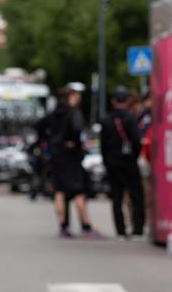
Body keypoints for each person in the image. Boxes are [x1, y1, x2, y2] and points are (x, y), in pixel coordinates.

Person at [49, 84, 103, 239]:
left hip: (57, 155)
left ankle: (63, 225)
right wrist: (76, 142)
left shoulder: (55, 113)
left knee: (59, 191)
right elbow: (78, 128)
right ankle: (86, 226)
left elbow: (39, 125)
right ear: (71, 96)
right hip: (71, 157)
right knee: (79, 191)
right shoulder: (74, 113)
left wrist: (51, 140)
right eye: (77, 95)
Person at [101, 87, 145, 239]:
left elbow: (103, 145)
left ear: (114, 101)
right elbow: (137, 141)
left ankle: (120, 230)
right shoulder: (131, 118)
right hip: (129, 161)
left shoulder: (106, 119)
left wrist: (106, 162)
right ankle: (137, 229)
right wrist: (134, 156)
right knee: (136, 195)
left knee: (116, 196)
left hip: (112, 162)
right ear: (128, 100)